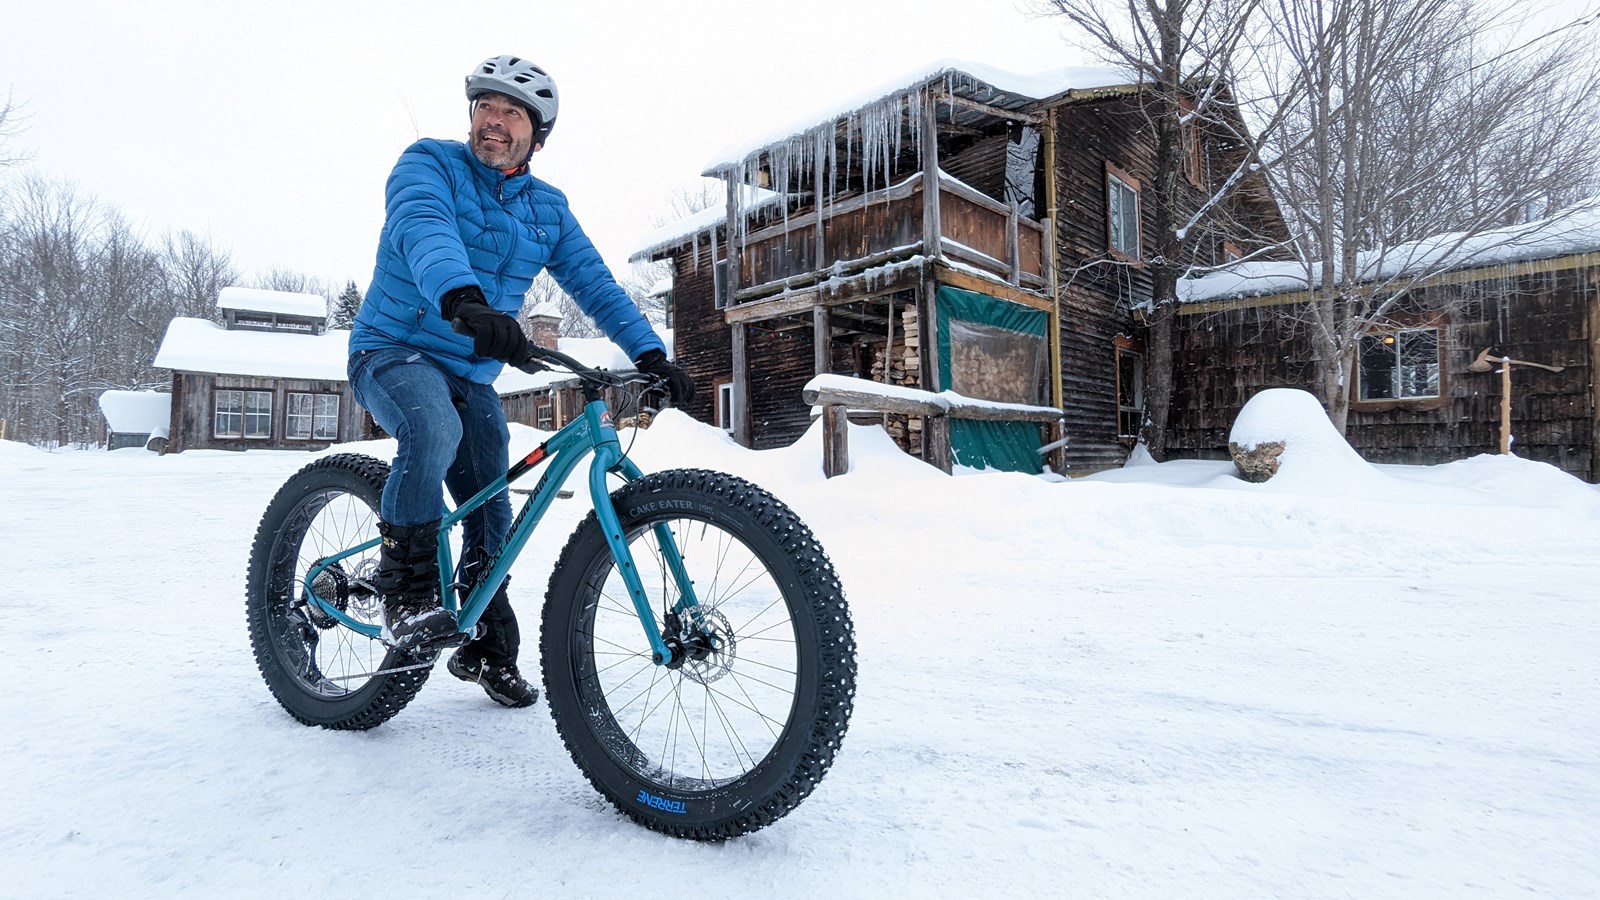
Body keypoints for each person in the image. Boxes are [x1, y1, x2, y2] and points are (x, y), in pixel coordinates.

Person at [346, 55, 695, 709]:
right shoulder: (429, 164)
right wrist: (464, 299)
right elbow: (425, 229)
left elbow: (594, 284)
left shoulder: (548, 210)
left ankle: (484, 646)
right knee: (433, 429)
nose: (495, 121)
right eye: (486, 107)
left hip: (469, 373)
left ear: (537, 136)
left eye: (512, 113)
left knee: (491, 511)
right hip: (391, 351)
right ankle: (406, 594)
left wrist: (651, 354)